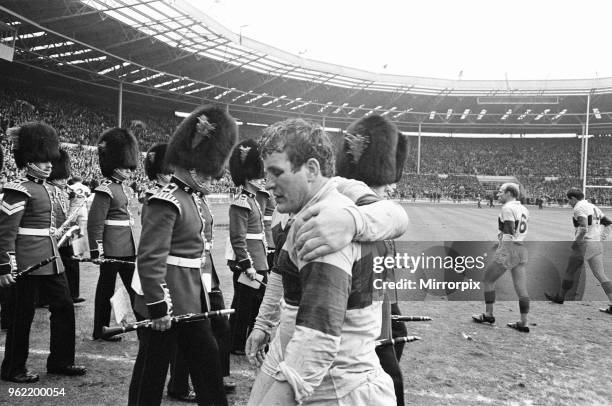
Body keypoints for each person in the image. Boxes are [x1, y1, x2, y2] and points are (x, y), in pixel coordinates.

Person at [247, 118, 396, 405]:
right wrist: (264, 324)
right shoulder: (312, 207)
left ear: (312, 169)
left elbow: (318, 336)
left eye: (277, 172)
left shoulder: (324, 226)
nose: (268, 183)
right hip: (319, 373)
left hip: (335, 387)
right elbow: (283, 273)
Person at [128, 105, 235, 406]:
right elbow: (150, 260)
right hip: (167, 299)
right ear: (190, 165)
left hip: (192, 297)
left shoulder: (195, 200)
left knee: (208, 365)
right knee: (152, 371)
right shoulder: (166, 201)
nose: (213, 178)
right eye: (207, 171)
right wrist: (158, 307)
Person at [0, 123, 85, 383]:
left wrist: (69, 230)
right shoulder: (17, 189)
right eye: (42, 160)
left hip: (51, 259)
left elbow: (52, 226)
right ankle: (13, 368)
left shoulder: (50, 189)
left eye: (51, 160)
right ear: (28, 160)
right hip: (25, 262)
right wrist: (4, 266)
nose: (49, 165)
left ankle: (61, 360)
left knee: (64, 306)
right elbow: (5, 232)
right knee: (21, 316)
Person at [334, 114, 406, 406]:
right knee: (390, 379)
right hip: (359, 314)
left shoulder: (375, 207)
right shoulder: (356, 207)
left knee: (396, 340)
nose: (389, 187)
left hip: (378, 303)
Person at [88, 128, 140, 341]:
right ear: (113, 165)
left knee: (136, 289)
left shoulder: (126, 190)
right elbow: (95, 224)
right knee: (106, 290)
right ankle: (100, 329)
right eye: (124, 166)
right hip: (110, 249)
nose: (128, 170)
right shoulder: (105, 190)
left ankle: (144, 325)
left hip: (127, 247)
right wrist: (96, 250)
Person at [227, 139, 269, 355]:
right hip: (249, 263)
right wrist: (247, 265)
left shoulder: (254, 200)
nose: (262, 180)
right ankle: (235, 345)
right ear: (248, 176)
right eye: (258, 175)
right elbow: (238, 238)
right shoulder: (241, 202)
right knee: (244, 306)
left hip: (259, 259)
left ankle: (240, 341)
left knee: (252, 304)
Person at [472, 183, 531, 333]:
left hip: (509, 249)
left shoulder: (507, 208)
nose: (498, 195)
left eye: (500, 192)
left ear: (509, 193)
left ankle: (488, 314)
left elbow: (510, 230)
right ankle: (523, 323)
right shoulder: (524, 208)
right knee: (522, 289)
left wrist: (502, 247)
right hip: (521, 249)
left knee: (488, 280)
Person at [545, 188, 612, 314]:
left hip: (585, 244)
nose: (568, 203)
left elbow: (583, 228)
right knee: (600, 274)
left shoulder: (578, 208)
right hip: (596, 244)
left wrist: (576, 241)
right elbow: (608, 223)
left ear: (573, 198)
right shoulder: (593, 206)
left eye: (568, 200)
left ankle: (560, 297)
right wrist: (600, 238)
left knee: (569, 271)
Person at [48, 150, 84, 304]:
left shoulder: (66, 192)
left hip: (67, 235)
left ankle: (73, 294)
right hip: (53, 235)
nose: (65, 181)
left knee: (72, 264)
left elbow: (71, 214)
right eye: (61, 178)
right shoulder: (48, 189)